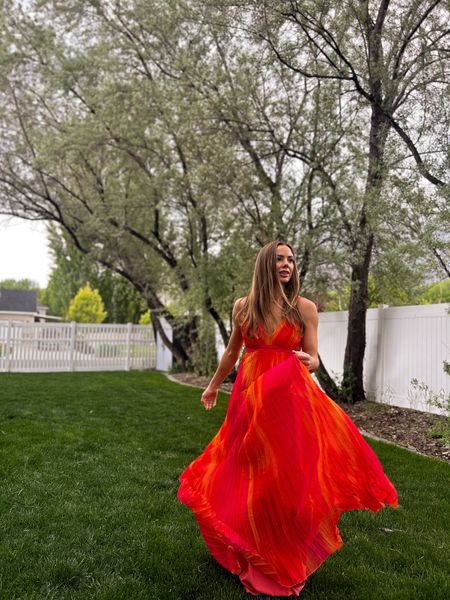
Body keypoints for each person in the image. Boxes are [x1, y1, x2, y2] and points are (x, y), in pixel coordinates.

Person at [178, 240, 399, 597]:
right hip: (249, 398)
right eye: (279, 259)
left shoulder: (305, 309)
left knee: (284, 475)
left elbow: (313, 358)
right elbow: (233, 352)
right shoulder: (244, 307)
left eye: (291, 260)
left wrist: (308, 362)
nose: (287, 265)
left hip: (288, 399)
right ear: (266, 264)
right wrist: (212, 386)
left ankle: (283, 556)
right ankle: (251, 547)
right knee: (249, 472)